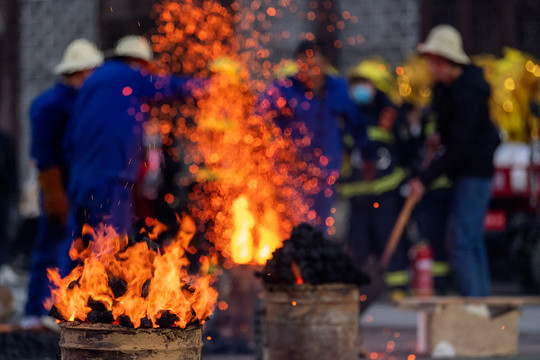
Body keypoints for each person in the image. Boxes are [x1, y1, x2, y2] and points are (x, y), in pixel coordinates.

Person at [59, 36, 199, 275]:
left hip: (81, 179)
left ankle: (60, 306)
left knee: (76, 246)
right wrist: (213, 86)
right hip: (111, 180)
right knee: (112, 251)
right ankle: (106, 308)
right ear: (138, 61)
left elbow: (70, 138)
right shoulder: (130, 76)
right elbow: (170, 86)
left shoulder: (94, 81)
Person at [409, 25, 501, 296]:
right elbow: (449, 134)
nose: (430, 67)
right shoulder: (448, 90)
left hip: (475, 172)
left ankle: (475, 306)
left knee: (461, 240)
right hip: (463, 171)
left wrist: (426, 178)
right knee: (469, 240)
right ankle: (480, 302)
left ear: (446, 61)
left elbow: (462, 145)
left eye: (434, 61)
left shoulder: (469, 91)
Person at [24, 39, 103, 324]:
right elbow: (45, 154)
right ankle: (39, 310)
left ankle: (48, 310)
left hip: (70, 183)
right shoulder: (59, 105)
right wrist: (55, 192)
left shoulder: (54, 101)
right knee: (54, 245)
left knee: (63, 246)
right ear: (81, 72)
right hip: (60, 183)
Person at [260, 40, 374, 233]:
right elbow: (258, 116)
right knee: (294, 225)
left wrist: (367, 157)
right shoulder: (284, 88)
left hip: (325, 171)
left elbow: (357, 125)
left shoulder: (339, 88)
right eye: (304, 67)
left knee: (319, 227)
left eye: (314, 67)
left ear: (325, 64)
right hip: (291, 171)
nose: (310, 73)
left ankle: (315, 261)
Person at [340, 59, 416, 301]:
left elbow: (407, 148)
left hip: (386, 192)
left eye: (366, 83)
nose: (360, 88)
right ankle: (359, 290)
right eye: (357, 83)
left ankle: (397, 289)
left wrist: (407, 174)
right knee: (357, 244)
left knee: (390, 239)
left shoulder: (391, 115)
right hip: (357, 194)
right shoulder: (347, 115)